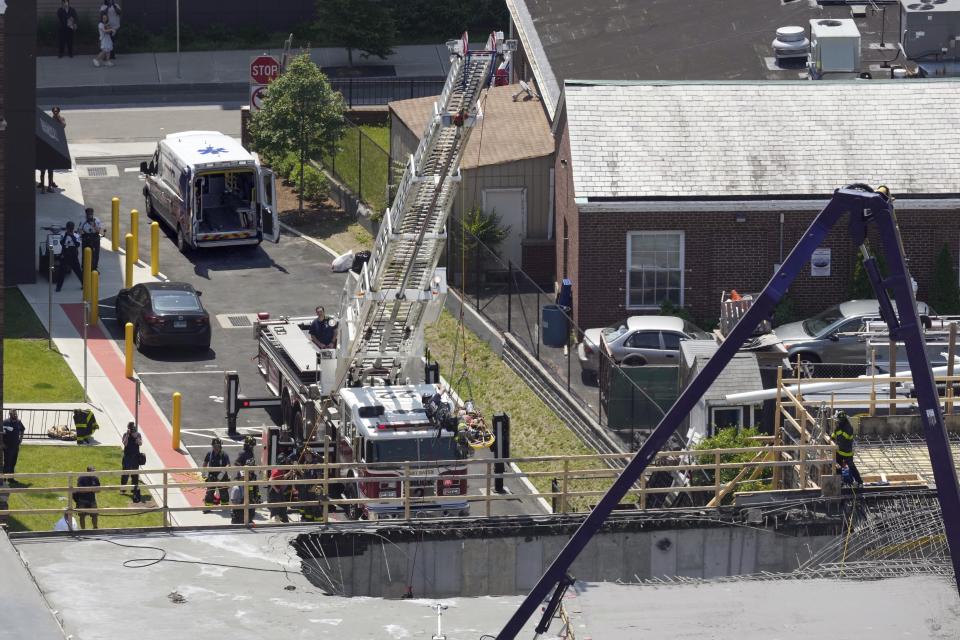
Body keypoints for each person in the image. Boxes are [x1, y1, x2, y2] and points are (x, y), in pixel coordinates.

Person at [833, 410, 863, 488]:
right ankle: (840, 482)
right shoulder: (839, 426)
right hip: (839, 451)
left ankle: (859, 482)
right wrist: (832, 437)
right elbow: (834, 435)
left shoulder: (848, 428)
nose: (836, 421)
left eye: (838, 420)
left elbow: (843, 439)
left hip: (847, 452)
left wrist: (838, 431)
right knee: (838, 467)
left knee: (851, 467)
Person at [203, 437, 231, 510]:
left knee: (223, 492)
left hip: (222, 477)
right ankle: (208, 506)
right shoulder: (209, 454)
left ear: (220, 446)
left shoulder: (224, 455)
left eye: (217, 446)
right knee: (209, 492)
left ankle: (224, 506)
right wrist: (204, 473)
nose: (216, 448)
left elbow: (228, 465)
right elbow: (205, 463)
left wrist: (222, 473)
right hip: (211, 476)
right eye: (214, 446)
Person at [55, 221, 83, 292]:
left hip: (73, 255)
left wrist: (71, 236)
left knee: (78, 271)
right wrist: (66, 235)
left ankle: (84, 284)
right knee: (61, 272)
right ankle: (58, 287)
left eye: (71, 228)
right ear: (67, 228)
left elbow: (77, 245)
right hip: (65, 255)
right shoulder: (63, 234)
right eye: (69, 228)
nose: (70, 230)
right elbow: (61, 243)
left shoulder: (76, 235)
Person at [120, 422, 143, 502]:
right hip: (127, 457)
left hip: (135, 457)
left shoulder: (138, 434)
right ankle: (123, 489)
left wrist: (136, 437)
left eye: (133, 428)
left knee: (135, 475)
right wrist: (127, 434)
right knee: (125, 474)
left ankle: (134, 490)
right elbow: (125, 443)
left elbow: (140, 443)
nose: (132, 430)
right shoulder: (125, 434)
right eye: (130, 428)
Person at [2, 410, 26, 480]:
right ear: (10, 415)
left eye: (16, 414)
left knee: (13, 462)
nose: (15, 416)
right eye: (14, 414)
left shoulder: (18, 422)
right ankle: (3, 478)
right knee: (7, 463)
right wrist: (2, 443)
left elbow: (22, 429)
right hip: (7, 446)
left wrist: (21, 439)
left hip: (15, 446)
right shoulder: (5, 422)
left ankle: (11, 478)